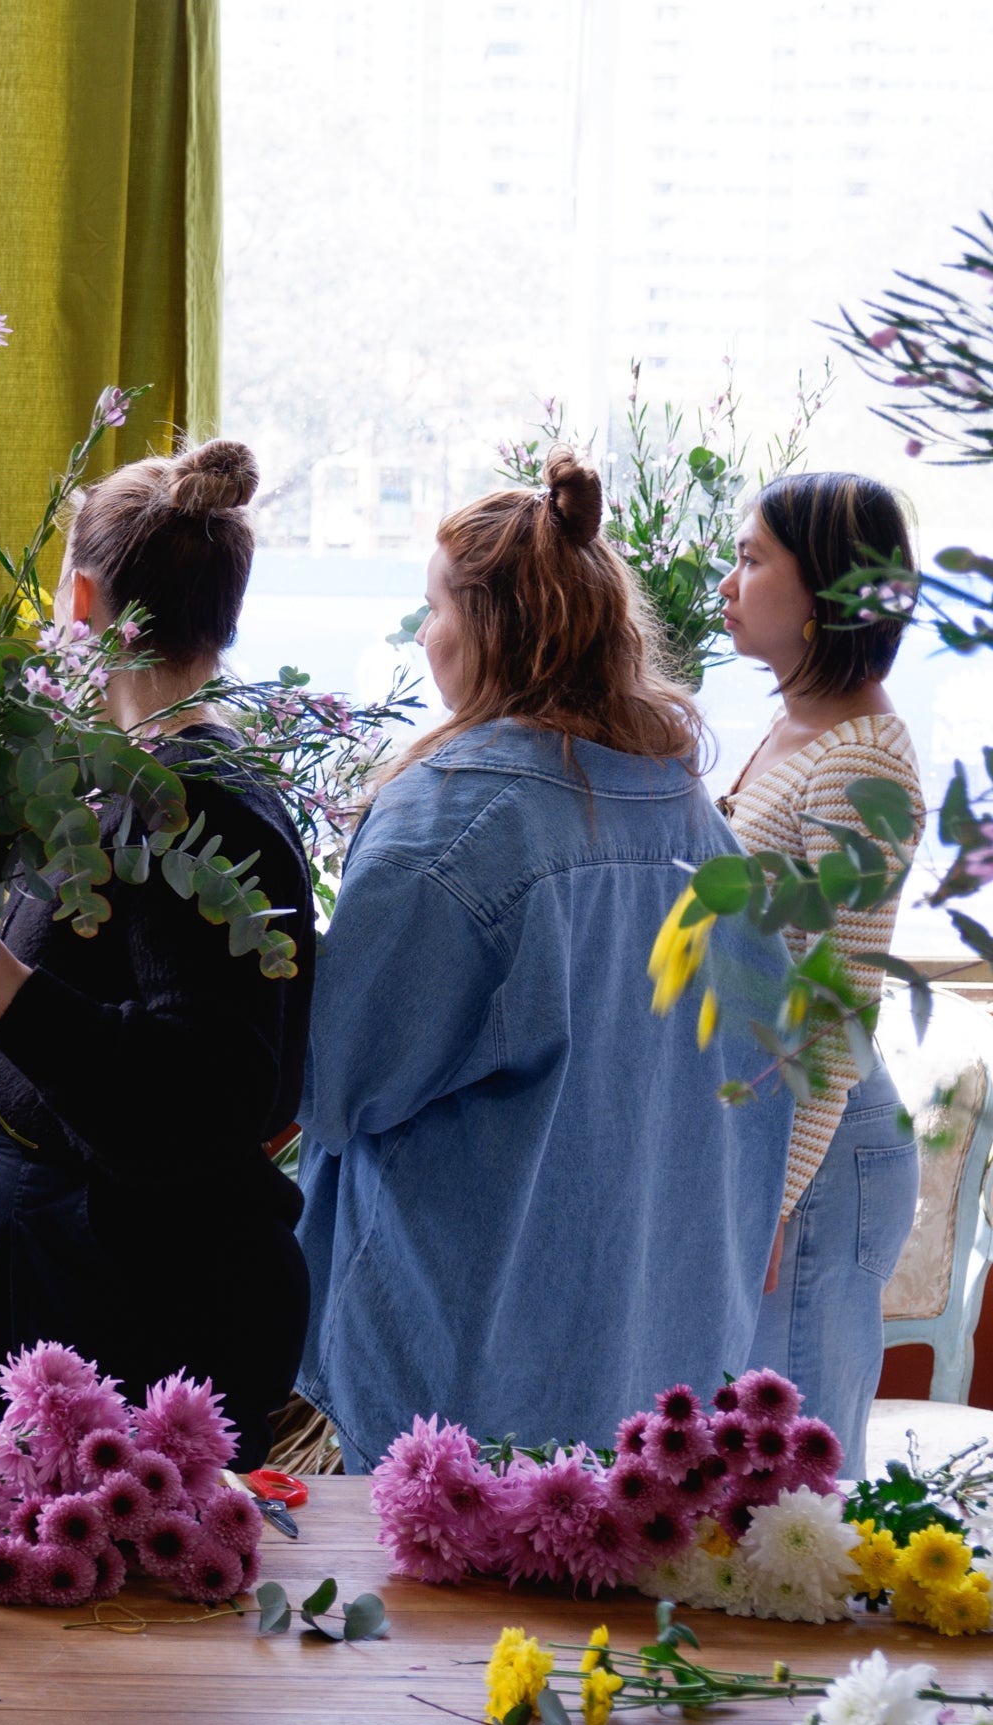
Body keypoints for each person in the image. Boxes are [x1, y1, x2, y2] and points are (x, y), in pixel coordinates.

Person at [293, 450, 794, 1469]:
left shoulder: (450, 826)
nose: (425, 636)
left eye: (434, 610)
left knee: (447, 1628)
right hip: (660, 1377)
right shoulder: (695, 821)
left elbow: (336, 1088)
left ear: (490, 630)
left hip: (461, 1391)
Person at [0, 439, 315, 1470]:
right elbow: (94, 1079)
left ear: (79, 600)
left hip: (154, 1312)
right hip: (72, 1269)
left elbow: (205, 1092)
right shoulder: (128, 778)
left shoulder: (196, 805)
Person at [717, 471, 924, 1476]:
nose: (728, 579)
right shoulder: (799, 724)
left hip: (821, 1156)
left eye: (753, 558)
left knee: (790, 1497)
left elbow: (835, 1006)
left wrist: (773, 1198)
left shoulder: (862, 765)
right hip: (782, 1137)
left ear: (827, 591)